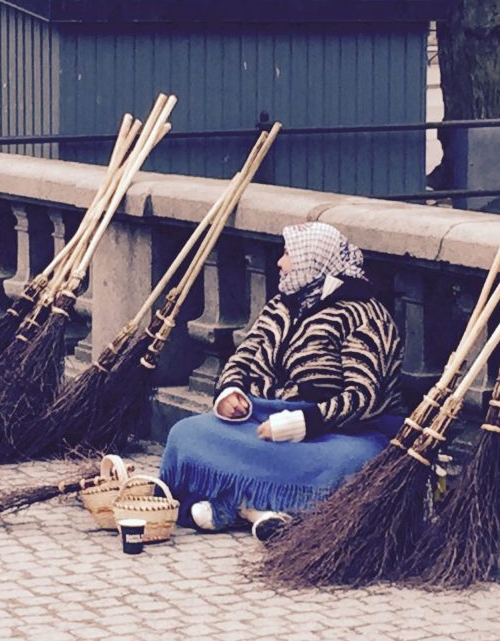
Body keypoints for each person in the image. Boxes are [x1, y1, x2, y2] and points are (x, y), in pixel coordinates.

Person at [159, 222, 405, 541]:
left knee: (349, 463)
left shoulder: (365, 316)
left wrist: (305, 422)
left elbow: (365, 396)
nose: (280, 262)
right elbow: (244, 354)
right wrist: (229, 392)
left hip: (339, 433)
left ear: (313, 259)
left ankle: (235, 506)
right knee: (186, 433)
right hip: (262, 421)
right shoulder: (281, 305)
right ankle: (257, 510)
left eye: (288, 254)